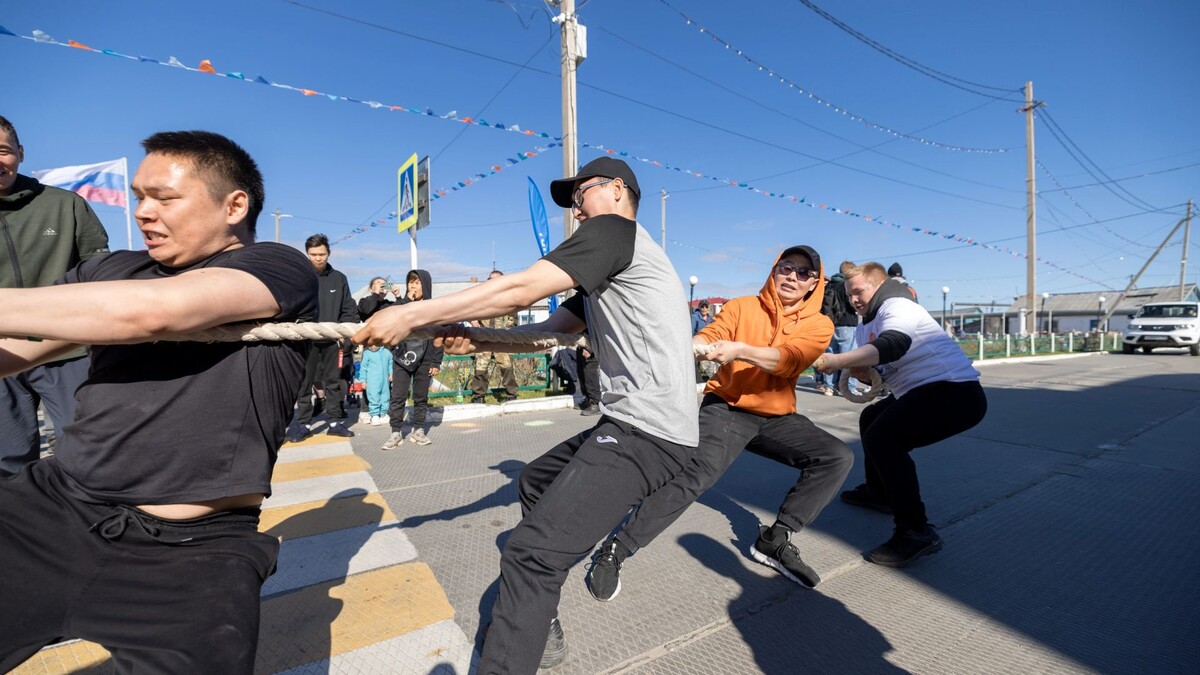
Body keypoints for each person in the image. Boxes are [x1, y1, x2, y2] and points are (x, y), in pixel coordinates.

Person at [354, 156, 699, 673]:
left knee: (529, 555)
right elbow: (547, 334)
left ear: (618, 190)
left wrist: (411, 313)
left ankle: (524, 626)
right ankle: (540, 616)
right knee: (536, 483)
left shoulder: (615, 232)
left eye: (581, 195)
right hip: (631, 423)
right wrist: (476, 341)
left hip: (650, 431)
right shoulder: (607, 270)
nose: (576, 210)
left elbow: (521, 289)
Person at [0, 130, 317, 673]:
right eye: (139, 196)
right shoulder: (110, 271)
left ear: (234, 206)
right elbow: (20, 349)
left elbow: (149, 313)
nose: (144, 212)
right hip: (53, 509)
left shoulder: (277, 266)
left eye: (165, 198)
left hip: (194, 555)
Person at [585, 245, 852, 601]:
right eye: (786, 267)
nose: (792, 276)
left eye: (803, 273)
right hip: (727, 407)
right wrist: (697, 345)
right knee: (696, 475)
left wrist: (740, 350)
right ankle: (617, 548)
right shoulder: (742, 306)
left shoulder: (819, 324)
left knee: (836, 457)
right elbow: (712, 334)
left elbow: (789, 361)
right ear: (774, 270)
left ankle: (775, 539)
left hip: (777, 416)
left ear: (814, 284)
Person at [813, 261, 987, 567]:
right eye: (849, 294)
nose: (853, 299)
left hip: (956, 393)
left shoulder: (898, 305)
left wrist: (838, 360)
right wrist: (863, 372)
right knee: (871, 419)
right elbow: (882, 373)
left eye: (858, 291)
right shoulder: (866, 325)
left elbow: (894, 344)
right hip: (921, 391)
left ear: (879, 284)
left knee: (884, 438)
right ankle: (879, 492)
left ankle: (916, 532)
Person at [0, 114, 111, 474]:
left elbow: (100, 271)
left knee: (88, 452)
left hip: (67, 350)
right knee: (8, 463)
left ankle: (91, 512)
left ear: (20, 152)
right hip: (3, 356)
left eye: (2, 151)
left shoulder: (66, 204)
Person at [287, 233, 358, 441]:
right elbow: (291, 307)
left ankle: (335, 423)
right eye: (313, 254)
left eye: (322, 254)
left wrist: (345, 336)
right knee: (304, 383)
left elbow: (349, 310)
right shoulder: (300, 278)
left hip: (333, 341)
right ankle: (303, 424)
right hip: (306, 341)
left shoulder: (339, 278)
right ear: (307, 254)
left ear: (329, 253)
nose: (318, 258)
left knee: (333, 382)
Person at [380, 269, 442, 448]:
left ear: (426, 285)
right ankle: (395, 432)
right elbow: (391, 315)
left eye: (417, 282)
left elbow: (439, 337)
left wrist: (436, 361)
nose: (413, 286)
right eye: (411, 282)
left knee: (421, 396)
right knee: (398, 396)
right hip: (403, 356)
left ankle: (418, 430)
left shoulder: (433, 309)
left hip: (425, 358)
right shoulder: (403, 305)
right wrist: (407, 300)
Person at [470, 270, 519, 404]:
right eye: (490, 279)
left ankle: (511, 395)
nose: (492, 282)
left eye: (496, 280)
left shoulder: (509, 299)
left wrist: (507, 332)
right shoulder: (481, 298)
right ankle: (478, 397)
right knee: (480, 369)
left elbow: (514, 320)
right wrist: (472, 321)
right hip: (484, 339)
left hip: (502, 339)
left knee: (507, 368)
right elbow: (469, 312)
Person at [817, 260, 859, 396]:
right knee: (849, 358)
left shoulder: (829, 284)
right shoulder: (847, 285)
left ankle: (829, 387)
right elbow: (852, 304)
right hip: (847, 324)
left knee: (830, 356)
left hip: (829, 324)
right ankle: (847, 387)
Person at [359, 343, 392, 425]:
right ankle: (374, 415)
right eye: (370, 345)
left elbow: (390, 364)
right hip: (372, 382)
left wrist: (391, 373)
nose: (373, 346)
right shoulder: (367, 353)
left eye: (375, 344)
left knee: (385, 396)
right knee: (374, 397)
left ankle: (383, 414)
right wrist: (363, 380)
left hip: (385, 381)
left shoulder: (387, 352)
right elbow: (363, 368)